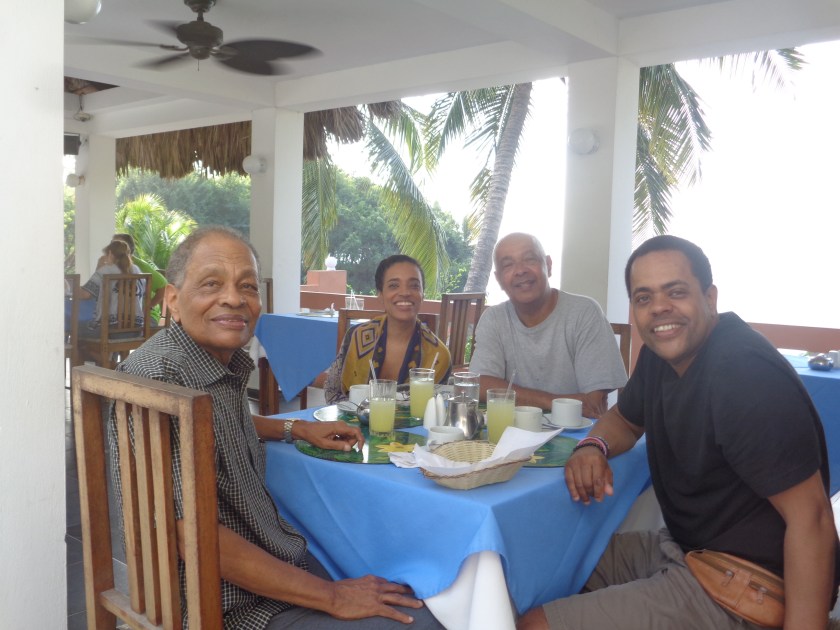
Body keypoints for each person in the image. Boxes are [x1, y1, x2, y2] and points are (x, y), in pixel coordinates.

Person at [109, 226, 443, 629]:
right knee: (425, 618)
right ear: (174, 301)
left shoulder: (205, 366)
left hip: (273, 557)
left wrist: (296, 429)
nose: (234, 298)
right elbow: (190, 534)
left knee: (416, 579)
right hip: (226, 605)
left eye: (247, 286)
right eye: (212, 283)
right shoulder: (160, 379)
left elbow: (212, 425)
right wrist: (333, 596)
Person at [518, 235, 840, 630]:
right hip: (683, 547)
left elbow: (813, 520)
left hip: (745, 583)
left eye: (676, 292)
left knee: (536, 625)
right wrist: (593, 445)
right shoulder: (661, 355)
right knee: (537, 571)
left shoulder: (744, 376)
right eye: (644, 297)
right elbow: (625, 420)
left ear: (710, 298)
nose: (659, 308)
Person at [469, 233, 626, 418]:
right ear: (499, 280)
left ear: (548, 265)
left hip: (573, 432)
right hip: (510, 430)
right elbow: (480, 385)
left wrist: (511, 395)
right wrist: (552, 401)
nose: (520, 270)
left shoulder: (584, 313)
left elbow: (592, 404)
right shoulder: (493, 319)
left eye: (529, 259)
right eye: (508, 265)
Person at [324, 255, 451, 404]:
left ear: (423, 294)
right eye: (394, 285)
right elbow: (332, 392)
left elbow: (433, 409)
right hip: (351, 418)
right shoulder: (357, 337)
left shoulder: (438, 356)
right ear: (380, 294)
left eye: (414, 286)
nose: (405, 292)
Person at [78, 239, 145, 335]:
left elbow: (85, 295)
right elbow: (144, 292)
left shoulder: (105, 271)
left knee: (76, 329)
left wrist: (68, 288)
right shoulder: (137, 270)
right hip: (136, 330)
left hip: (110, 331)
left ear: (110, 254)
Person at [112, 232, 168, 324]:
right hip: (119, 317)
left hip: (145, 319)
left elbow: (164, 287)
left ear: (128, 250)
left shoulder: (140, 266)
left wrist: (148, 307)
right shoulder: (111, 266)